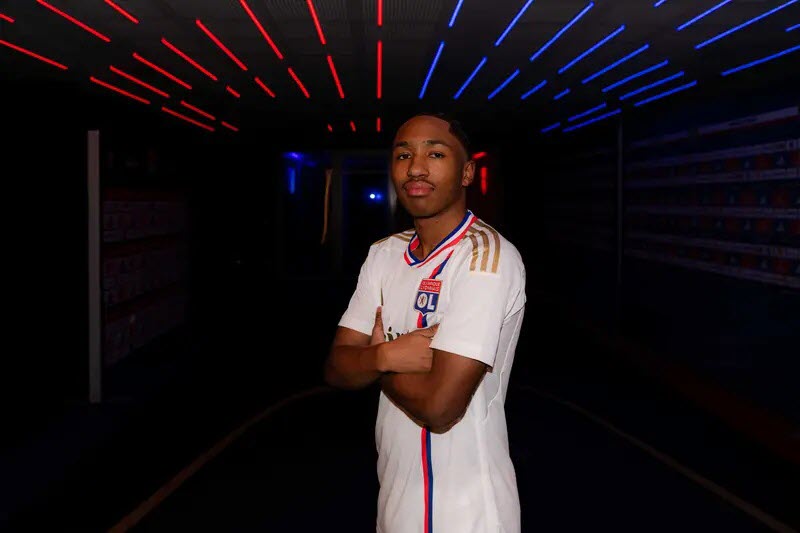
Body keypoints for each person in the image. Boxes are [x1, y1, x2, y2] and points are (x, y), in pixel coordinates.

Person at [323, 112, 526, 533]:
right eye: (403, 155)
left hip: (468, 513)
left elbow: (440, 408)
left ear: (467, 172)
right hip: (394, 504)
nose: (415, 168)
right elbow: (337, 369)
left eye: (435, 154)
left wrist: (372, 362)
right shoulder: (383, 254)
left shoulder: (486, 259)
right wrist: (388, 355)